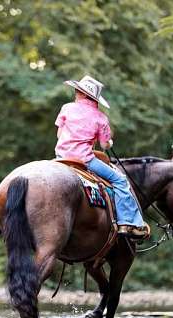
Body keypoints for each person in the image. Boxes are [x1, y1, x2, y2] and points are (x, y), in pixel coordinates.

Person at [54, 75, 147, 239]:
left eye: (78, 90)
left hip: (61, 156)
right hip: (84, 159)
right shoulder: (101, 118)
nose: (76, 92)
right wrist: (109, 142)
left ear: (83, 94)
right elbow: (105, 146)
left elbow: (59, 134)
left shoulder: (66, 108)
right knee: (120, 180)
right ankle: (127, 222)